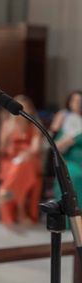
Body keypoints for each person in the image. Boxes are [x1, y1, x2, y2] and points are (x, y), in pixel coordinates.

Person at [0, 95, 42, 225]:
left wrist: (24, 155)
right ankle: (21, 211)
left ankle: (5, 191)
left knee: (23, 165)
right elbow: (1, 150)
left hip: (29, 158)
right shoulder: (7, 124)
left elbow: (35, 148)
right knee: (19, 168)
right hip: (10, 160)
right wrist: (8, 134)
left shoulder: (34, 126)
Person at [53, 91, 82, 228]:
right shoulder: (66, 124)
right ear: (70, 104)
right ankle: (73, 222)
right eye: (76, 101)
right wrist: (69, 140)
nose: (79, 104)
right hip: (71, 162)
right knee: (74, 176)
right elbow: (57, 147)